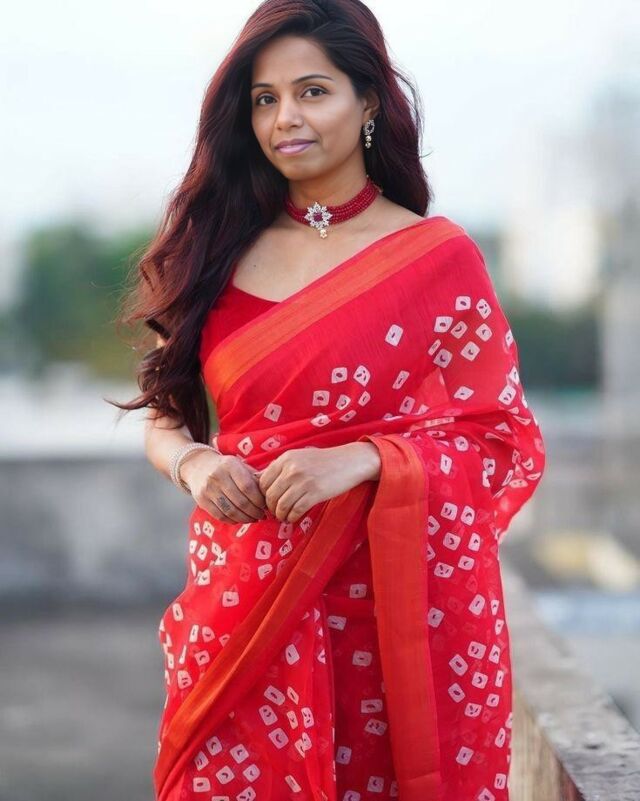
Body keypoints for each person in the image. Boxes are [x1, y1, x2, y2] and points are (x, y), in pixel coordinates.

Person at [112, 1, 546, 799]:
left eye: (312, 91)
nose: (285, 118)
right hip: (242, 598)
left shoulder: (435, 258)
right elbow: (164, 413)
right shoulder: (214, 248)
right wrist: (196, 464)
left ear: (369, 100)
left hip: (391, 616)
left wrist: (364, 460)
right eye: (265, 99)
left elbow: (502, 441)